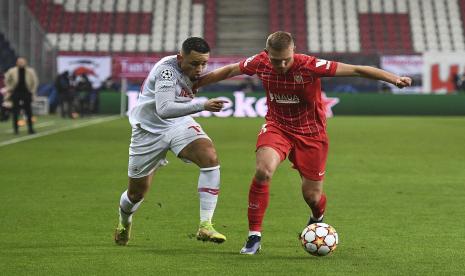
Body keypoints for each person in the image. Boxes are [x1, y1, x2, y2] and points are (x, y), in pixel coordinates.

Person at [196, 31, 412, 254]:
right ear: (266, 53)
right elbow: (231, 69)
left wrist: (394, 78)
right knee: (263, 171)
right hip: (277, 127)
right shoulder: (260, 62)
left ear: (294, 51)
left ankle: (317, 217)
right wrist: (197, 84)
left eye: (286, 60)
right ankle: (254, 236)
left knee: (312, 196)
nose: (280, 65)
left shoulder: (310, 65)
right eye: (275, 60)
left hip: (312, 134)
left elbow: (357, 69)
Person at [114, 37, 228, 246]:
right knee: (136, 193)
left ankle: (205, 225)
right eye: (194, 63)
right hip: (148, 131)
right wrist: (202, 105)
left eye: (204, 63)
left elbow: (227, 72)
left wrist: (254, 63)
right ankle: (124, 220)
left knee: (209, 157)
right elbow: (164, 109)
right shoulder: (167, 70)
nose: (200, 69)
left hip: (178, 123)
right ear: (179, 58)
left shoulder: (194, 71)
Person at [4, 57, 39, 134]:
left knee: (28, 111)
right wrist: (9, 88)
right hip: (16, 92)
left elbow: (35, 81)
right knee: (15, 111)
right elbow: (6, 79)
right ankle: (16, 130)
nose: (21, 63)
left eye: (22, 62)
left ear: (25, 62)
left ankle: (30, 129)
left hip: (26, 92)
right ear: (17, 63)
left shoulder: (30, 71)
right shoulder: (12, 71)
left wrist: (32, 91)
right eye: (19, 62)